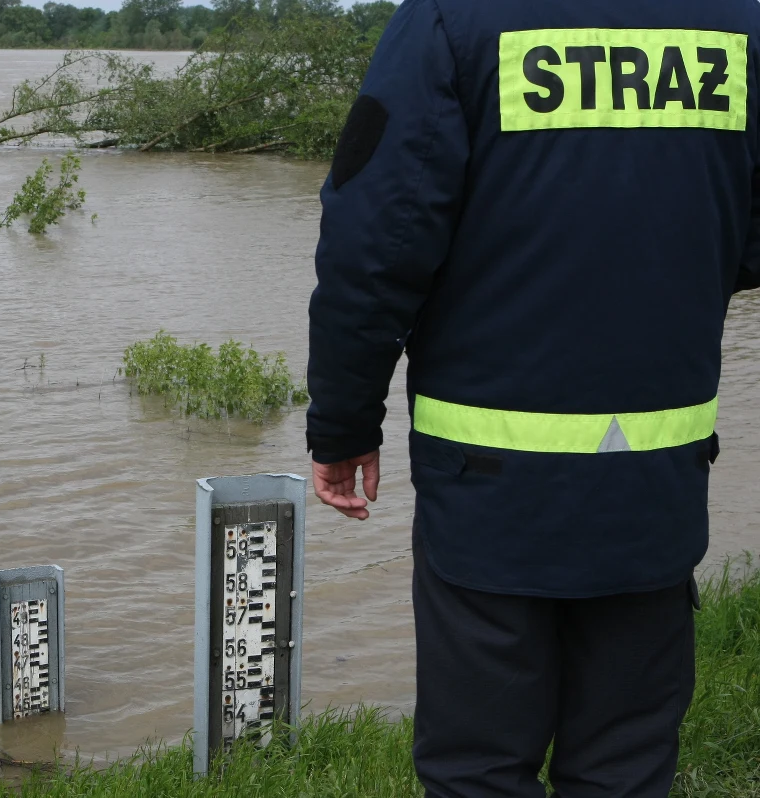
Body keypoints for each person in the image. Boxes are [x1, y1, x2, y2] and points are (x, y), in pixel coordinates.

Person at [306, 0, 760, 795]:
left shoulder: (453, 19)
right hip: (654, 485)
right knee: (625, 768)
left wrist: (343, 423)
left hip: (487, 492)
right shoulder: (737, 24)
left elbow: (374, 242)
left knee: (478, 770)